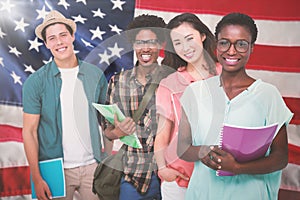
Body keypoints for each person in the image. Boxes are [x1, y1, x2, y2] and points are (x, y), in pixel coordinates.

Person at [177, 12, 293, 200]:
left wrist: (238, 168)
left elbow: (281, 158)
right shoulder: (194, 93)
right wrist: (202, 152)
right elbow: (182, 147)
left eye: (241, 44)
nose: (231, 51)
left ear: (251, 48)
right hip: (203, 193)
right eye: (224, 42)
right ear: (217, 46)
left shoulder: (268, 95)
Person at [22, 10, 107, 200]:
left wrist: (107, 161)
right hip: (54, 169)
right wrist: (36, 178)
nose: (59, 42)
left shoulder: (95, 75)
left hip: (93, 166)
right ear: (46, 44)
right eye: (52, 38)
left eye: (63, 35)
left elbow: (107, 121)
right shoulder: (35, 82)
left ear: (72, 36)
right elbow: (29, 131)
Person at [103, 14, 173, 200]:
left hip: (170, 174)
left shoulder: (172, 80)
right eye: (140, 42)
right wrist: (118, 131)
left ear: (160, 45)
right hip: (133, 176)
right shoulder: (117, 82)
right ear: (133, 45)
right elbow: (107, 132)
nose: (145, 48)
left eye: (151, 42)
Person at [154, 13, 221, 200]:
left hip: (219, 176)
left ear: (202, 36)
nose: (185, 47)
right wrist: (163, 170)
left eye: (189, 38)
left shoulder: (226, 75)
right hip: (179, 178)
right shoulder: (169, 83)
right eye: (178, 43)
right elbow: (162, 134)